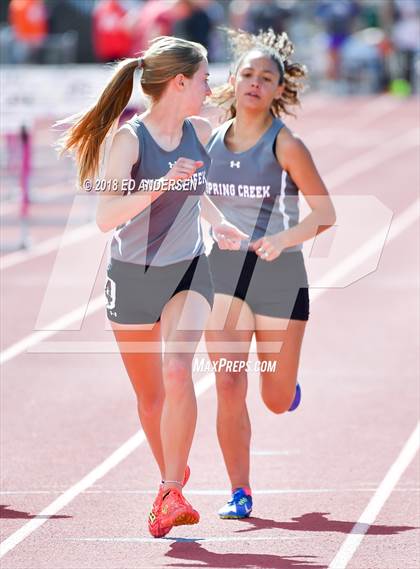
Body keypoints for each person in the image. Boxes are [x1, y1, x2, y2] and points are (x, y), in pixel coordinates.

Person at [58, 35, 246, 537]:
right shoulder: (129, 141)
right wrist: (160, 183)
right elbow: (106, 216)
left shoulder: (200, 130)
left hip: (188, 267)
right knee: (151, 398)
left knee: (179, 371)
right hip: (133, 274)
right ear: (179, 82)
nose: (210, 88)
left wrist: (219, 222)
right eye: (204, 79)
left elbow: (196, 191)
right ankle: (173, 473)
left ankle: (168, 490)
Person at [204, 28, 336, 519]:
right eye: (248, 75)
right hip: (224, 276)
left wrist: (281, 239)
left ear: (279, 89)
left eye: (266, 78)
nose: (255, 84)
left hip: (279, 277)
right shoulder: (208, 139)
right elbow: (193, 197)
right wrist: (214, 225)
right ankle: (240, 491)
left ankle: (287, 388)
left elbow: (324, 214)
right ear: (233, 82)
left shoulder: (287, 145)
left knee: (275, 399)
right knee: (229, 384)